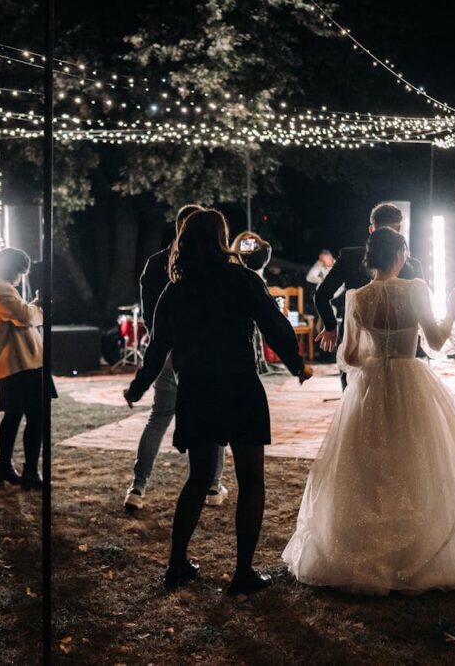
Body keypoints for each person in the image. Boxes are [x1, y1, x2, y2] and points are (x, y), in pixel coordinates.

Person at [282, 227, 455, 593]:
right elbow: (437, 341)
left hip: (371, 386)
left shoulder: (357, 298)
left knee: (370, 464)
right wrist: (452, 308)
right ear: (400, 256)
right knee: (419, 460)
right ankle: (419, 548)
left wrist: (377, 356)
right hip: (411, 380)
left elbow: (351, 357)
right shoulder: (416, 288)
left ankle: (367, 548)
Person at [124, 209, 313, 595]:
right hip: (239, 386)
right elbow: (271, 322)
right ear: (220, 238)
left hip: (198, 389)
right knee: (251, 480)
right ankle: (242, 572)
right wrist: (295, 362)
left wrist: (139, 386)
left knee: (197, 478)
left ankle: (177, 564)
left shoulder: (175, 290)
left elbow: (158, 347)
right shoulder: (240, 278)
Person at [124, 204, 229, 512]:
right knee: (214, 417)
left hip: (166, 352)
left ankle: (138, 487)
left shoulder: (155, 264)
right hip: (202, 356)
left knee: (159, 417)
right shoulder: (212, 266)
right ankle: (213, 485)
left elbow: (148, 316)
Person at [314, 203, 424, 389]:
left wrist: (331, 326)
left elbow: (322, 294)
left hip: (354, 346)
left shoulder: (349, 257)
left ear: (372, 229)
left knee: (355, 404)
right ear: (399, 231)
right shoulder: (412, 265)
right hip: (400, 352)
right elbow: (422, 309)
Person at [0, 247, 55, 490]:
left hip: (16, 362)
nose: (20, 279)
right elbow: (22, 315)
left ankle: (5, 466)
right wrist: (39, 306)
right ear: (13, 270)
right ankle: (30, 471)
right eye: (20, 273)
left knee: (14, 415)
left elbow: (18, 315)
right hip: (23, 362)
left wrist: (32, 307)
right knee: (36, 417)